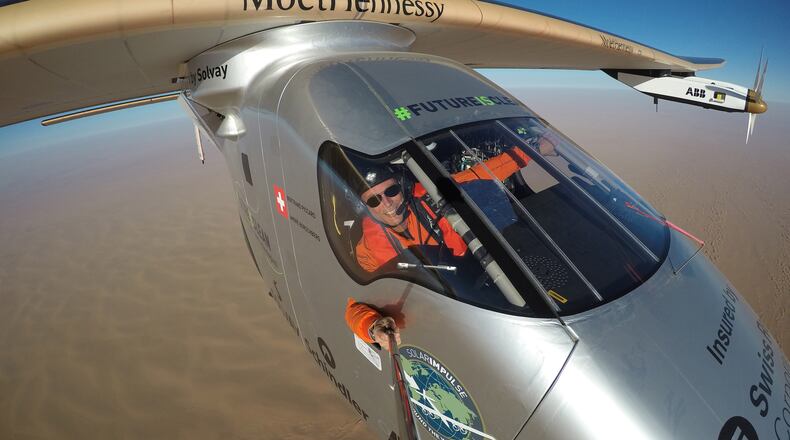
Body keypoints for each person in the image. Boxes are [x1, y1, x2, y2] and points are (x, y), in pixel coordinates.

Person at [344, 136, 558, 345]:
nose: (387, 204)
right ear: (365, 208)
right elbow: (354, 305)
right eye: (374, 200)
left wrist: (533, 150)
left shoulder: (430, 197)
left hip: (472, 286)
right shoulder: (369, 249)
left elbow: (480, 174)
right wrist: (373, 327)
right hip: (433, 315)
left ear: (402, 188)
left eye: (391, 191)